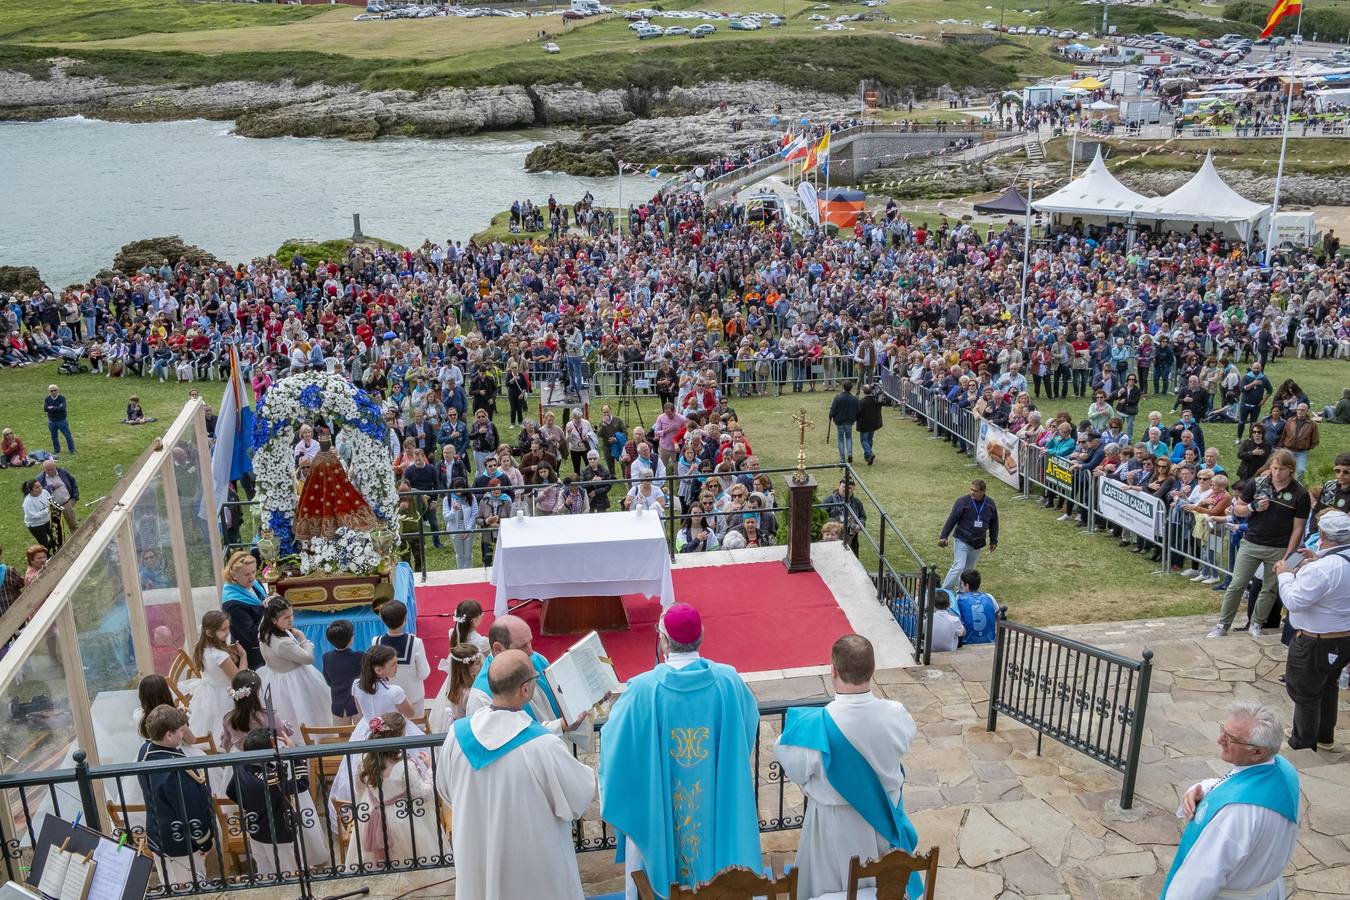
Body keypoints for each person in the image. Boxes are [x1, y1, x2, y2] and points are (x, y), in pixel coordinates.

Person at [600, 603, 761, 899]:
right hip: (714, 798)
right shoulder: (729, 682)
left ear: (663, 640)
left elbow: (615, 745)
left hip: (659, 808)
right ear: (701, 635)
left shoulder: (642, 691)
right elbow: (746, 729)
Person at [434, 650, 596, 900]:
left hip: (477, 848)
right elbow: (579, 797)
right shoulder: (544, 747)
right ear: (525, 689)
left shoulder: (457, 735)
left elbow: (445, 790)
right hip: (532, 860)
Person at [774, 635, 923, 900]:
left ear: (833, 670)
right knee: (882, 891)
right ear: (872, 669)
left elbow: (793, 766)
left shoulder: (814, 728)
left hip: (831, 831)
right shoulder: (897, 715)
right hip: (882, 826)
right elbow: (904, 739)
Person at [1162, 702, 1299, 900]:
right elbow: (1234, 783)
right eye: (1223, 731)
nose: (1219, 740)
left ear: (1258, 752)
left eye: (1231, 738)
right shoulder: (1282, 768)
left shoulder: (1236, 813)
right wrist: (1204, 788)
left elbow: (1198, 880)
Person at [1210, 451, 1310, 639]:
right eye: (1274, 468)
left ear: (1291, 469)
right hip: (1252, 542)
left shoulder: (1300, 493)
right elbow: (1238, 508)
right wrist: (1251, 507)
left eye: (1281, 469)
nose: (1277, 473)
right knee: (1237, 584)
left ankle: (1256, 623)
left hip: (1279, 547)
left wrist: (1289, 554)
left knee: (1270, 588)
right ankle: (1222, 624)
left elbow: (1298, 527)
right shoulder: (1257, 484)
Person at [1275, 511, 1350, 751]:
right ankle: (1324, 736)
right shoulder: (1330, 563)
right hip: (1344, 637)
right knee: (1329, 686)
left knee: (1305, 694)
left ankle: (1303, 745)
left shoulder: (1321, 569)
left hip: (1315, 640)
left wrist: (1284, 576)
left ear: (1323, 534)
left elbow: (1294, 602)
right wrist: (1317, 559)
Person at [347, 712, 438, 870]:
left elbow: (359, 790)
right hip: (401, 819)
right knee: (406, 861)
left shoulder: (364, 761)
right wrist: (430, 769)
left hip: (371, 812)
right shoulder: (405, 766)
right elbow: (424, 795)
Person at [136, 705, 215, 886]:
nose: (183, 735)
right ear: (169, 735)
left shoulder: (146, 750)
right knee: (191, 887)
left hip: (158, 835)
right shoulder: (177, 771)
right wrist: (204, 841)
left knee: (169, 885)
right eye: (180, 731)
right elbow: (191, 810)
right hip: (180, 843)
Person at [226, 727, 316, 877]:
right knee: (288, 874)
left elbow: (231, 791)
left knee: (265, 873)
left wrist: (253, 805)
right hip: (278, 832)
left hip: (256, 829)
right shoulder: (270, 779)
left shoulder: (241, 766)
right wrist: (294, 754)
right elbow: (301, 783)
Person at [257, 598, 334, 732]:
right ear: (274, 620)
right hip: (292, 679)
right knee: (300, 708)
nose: (291, 619)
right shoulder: (282, 643)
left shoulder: (265, 631)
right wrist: (303, 639)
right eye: (286, 617)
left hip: (274, 676)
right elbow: (308, 658)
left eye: (292, 614)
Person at [187, 609, 246, 747]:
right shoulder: (220, 656)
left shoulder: (201, 647)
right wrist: (243, 656)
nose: (227, 632)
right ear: (210, 632)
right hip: (224, 695)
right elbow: (240, 680)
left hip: (210, 690)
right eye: (223, 630)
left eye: (228, 628)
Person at [371, 599, 430, 715]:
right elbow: (424, 674)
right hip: (413, 699)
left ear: (382, 620)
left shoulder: (376, 642)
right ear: (405, 620)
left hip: (387, 700)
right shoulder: (415, 642)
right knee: (416, 729)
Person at [937, 479, 999, 591]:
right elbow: (952, 519)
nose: (972, 493)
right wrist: (944, 536)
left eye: (975, 491)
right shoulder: (963, 501)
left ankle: (962, 592)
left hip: (977, 543)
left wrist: (993, 540)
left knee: (968, 570)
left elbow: (994, 522)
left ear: (983, 491)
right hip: (962, 539)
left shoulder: (990, 503)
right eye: (971, 489)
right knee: (959, 566)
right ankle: (945, 590)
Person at [221, 550, 267, 670]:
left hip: (264, 647)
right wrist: (270, 610)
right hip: (253, 657)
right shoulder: (232, 605)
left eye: (253, 571)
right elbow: (252, 635)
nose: (252, 577)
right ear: (234, 575)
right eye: (247, 574)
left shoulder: (255, 584)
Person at [322, 619, 364, 723]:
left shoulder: (326, 657)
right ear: (351, 638)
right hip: (358, 702)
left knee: (342, 736)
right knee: (364, 733)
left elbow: (328, 680)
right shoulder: (360, 656)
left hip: (338, 703)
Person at [955, 568, 1000, 644]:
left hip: (967, 643)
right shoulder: (990, 597)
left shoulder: (959, 599)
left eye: (962, 584)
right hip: (990, 641)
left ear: (967, 585)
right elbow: (999, 617)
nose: (962, 586)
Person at [1277, 402, 1319, 480]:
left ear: (1307, 411)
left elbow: (1315, 440)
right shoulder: (1290, 421)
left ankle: (1297, 487)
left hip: (1301, 452)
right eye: (1298, 410)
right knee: (1283, 469)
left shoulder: (1312, 424)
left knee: (1300, 471)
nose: (1300, 412)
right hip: (1288, 449)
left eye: (1302, 410)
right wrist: (1280, 446)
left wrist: (1306, 447)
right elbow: (1284, 435)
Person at [38, 459, 78, 535]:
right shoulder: (40, 479)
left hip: (67, 503)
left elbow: (73, 482)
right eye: (48, 470)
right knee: (57, 530)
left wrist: (74, 498)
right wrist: (50, 487)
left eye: (52, 469)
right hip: (53, 507)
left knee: (74, 526)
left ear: (55, 466)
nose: (50, 471)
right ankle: (62, 545)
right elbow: (39, 493)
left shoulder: (63, 472)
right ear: (44, 469)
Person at [829, 379, 862, 464]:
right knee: (849, 437)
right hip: (849, 421)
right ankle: (850, 453)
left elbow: (833, 409)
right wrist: (854, 418)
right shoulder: (854, 399)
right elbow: (858, 410)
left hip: (839, 421)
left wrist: (831, 415)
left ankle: (842, 458)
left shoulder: (837, 398)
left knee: (840, 439)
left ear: (843, 387)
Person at [21, 479, 55, 552]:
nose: (40, 488)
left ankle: (45, 552)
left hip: (47, 520)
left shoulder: (45, 492)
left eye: (40, 486)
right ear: (30, 490)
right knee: (44, 542)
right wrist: (46, 511)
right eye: (36, 487)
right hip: (36, 525)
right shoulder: (28, 501)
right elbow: (32, 516)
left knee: (54, 537)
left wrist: (51, 506)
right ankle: (46, 557)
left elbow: (50, 501)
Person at [856, 381, 884, 465]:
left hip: (864, 424)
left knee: (864, 440)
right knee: (870, 439)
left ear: (863, 391)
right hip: (874, 423)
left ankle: (869, 453)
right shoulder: (876, 400)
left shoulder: (861, 402)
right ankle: (867, 456)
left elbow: (857, 413)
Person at [43, 384, 74, 454]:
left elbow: (63, 408)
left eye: (55, 390)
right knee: (54, 436)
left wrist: (52, 408)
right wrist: (57, 408)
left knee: (67, 435)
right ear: (49, 391)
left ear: (57, 390)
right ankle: (57, 450)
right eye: (52, 391)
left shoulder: (62, 398)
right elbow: (45, 409)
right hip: (52, 421)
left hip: (61, 420)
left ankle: (72, 450)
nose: (54, 392)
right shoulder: (47, 398)